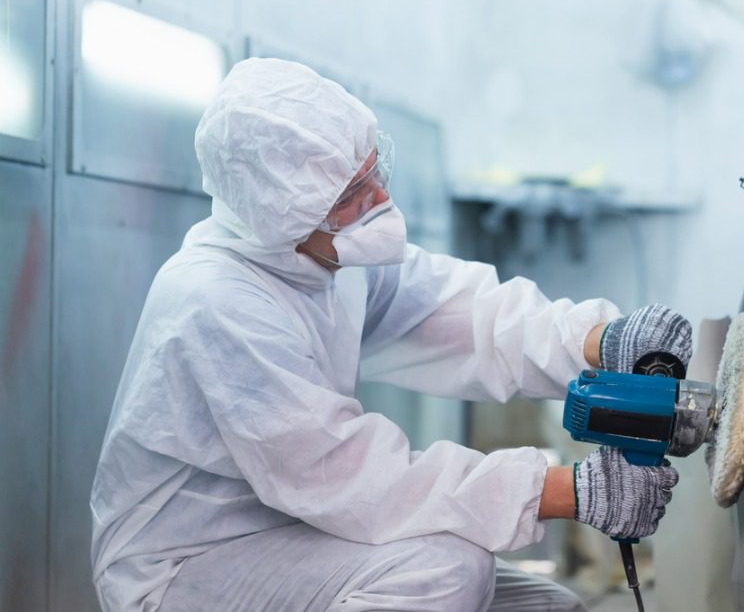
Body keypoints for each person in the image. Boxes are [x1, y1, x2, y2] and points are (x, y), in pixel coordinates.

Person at [90, 58, 690, 611]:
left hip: (295, 530)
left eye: (375, 169)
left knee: (550, 607)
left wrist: (603, 339)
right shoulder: (218, 301)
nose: (381, 198)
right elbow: (346, 477)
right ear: (280, 210)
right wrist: (570, 491)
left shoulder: (320, 260)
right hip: (187, 566)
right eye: (353, 194)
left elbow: (462, 314)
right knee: (449, 568)